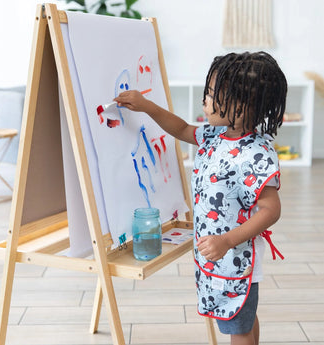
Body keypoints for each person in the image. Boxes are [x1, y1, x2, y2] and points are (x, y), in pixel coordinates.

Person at [114, 51, 287, 345]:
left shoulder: (256, 152)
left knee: (237, 325)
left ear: (241, 107)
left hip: (234, 257)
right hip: (217, 256)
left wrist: (227, 241)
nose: (204, 100)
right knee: (240, 318)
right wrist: (145, 106)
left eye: (211, 94)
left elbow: (271, 210)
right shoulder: (214, 134)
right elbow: (180, 128)